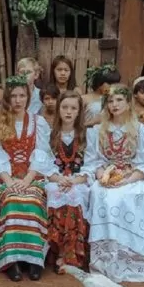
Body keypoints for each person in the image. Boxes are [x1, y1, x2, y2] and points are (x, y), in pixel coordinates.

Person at [81, 84, 144, 282]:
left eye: (119, 100)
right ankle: (106, 258)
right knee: (101, 194)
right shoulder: (97, 131)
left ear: (128, 103)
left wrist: (126, 180)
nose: (114, 105)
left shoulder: (141, 130)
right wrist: (104, 176)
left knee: (129, 195)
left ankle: (130, 255)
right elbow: (94, 161)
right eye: (110, 101)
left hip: (133, 176)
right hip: (107, 177)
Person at [0, 74, 56, 281]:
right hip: (5, 178)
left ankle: (34, 259)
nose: (18, 100)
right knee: (11, 200)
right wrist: (9, 181)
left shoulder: (39, 122)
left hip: (31, 177)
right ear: (7, 99)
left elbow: (41, 153)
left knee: (33, 200)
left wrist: (27, 180)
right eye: (13, 96)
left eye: (22, 96)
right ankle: (12, 260)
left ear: (28, 97)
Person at [46, 90, 90, 272]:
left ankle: (69, 254)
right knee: (54, 191)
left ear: (79, 111)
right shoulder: (50, 135)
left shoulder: (87, 136)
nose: (68, 112)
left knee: (75, 195)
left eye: (73, 108)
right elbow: (45, 163)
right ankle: (56, 250)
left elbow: (92, 164)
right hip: (56, 178)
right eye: (64, 107)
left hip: (78, 180)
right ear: (58, 109)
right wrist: (59, 178)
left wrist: (75, 180)